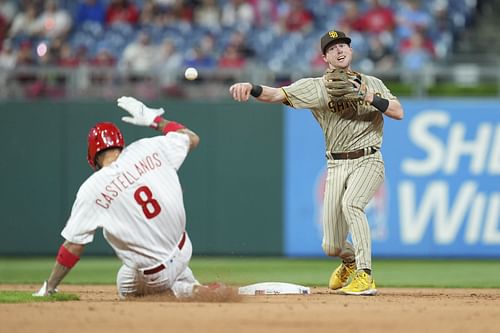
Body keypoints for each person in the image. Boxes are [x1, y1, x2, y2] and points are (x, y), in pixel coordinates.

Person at [229, 30, 404, 296]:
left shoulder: (373, 83)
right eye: (333, 48)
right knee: (331, 246)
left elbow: (398, 112)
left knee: (352, 204)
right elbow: (276, 94)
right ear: (325, 57)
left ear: (351, 51)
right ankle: (350, 260)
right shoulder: (316, 87)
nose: (340, 50)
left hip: (369, 158)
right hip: (336, 165)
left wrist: (369, 96)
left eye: (344, 45)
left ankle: (365, 276)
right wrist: (250, 87)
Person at [33, 96, 217, 300]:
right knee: (157, 257)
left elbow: (74, 245)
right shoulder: (148, 147)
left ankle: (186, 291)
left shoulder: (92, 188)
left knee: (125, 283)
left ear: (92, 154)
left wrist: (50, 286)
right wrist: (156, 121)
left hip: (155, 274)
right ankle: (191, 283)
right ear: (120, 143)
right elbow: (192, 138)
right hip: (184, 249)